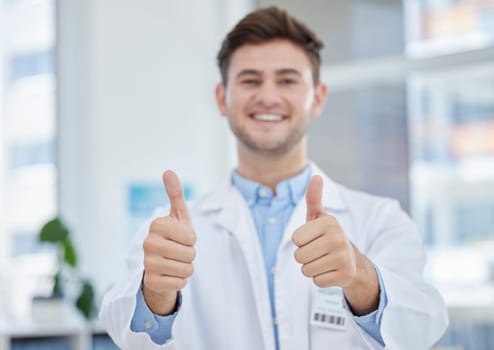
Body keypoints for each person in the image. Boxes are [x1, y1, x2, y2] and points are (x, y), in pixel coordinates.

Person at [99, 6, 448, 350]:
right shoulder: (167, 234)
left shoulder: (380, 220)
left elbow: (420, 328)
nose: (268, 96)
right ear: (222, 99)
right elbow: (129, 336)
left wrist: (360, 277)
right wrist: (156, 294)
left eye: (287, 80)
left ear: (317, 97)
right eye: (250, 80)